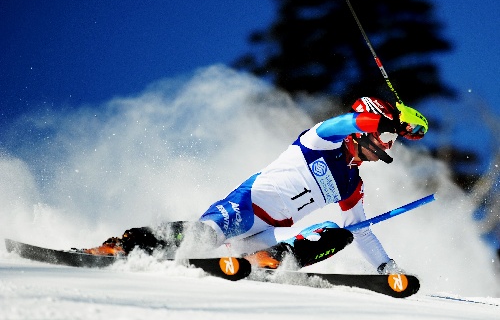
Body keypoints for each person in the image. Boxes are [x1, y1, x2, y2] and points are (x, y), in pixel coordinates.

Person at [84, 96, 427, 273]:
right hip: (246, 206)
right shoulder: (321, 140)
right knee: (202, 236)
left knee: (339, 233)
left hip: (271, 234)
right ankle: (126, 245)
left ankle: (268, 261)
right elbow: (344, 122)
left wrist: (387, 267)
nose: (385, 146)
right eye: (383, 137)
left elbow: (361, 229)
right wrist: (385, 119)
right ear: (364, 129)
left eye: (391, 142)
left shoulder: (351, 182)